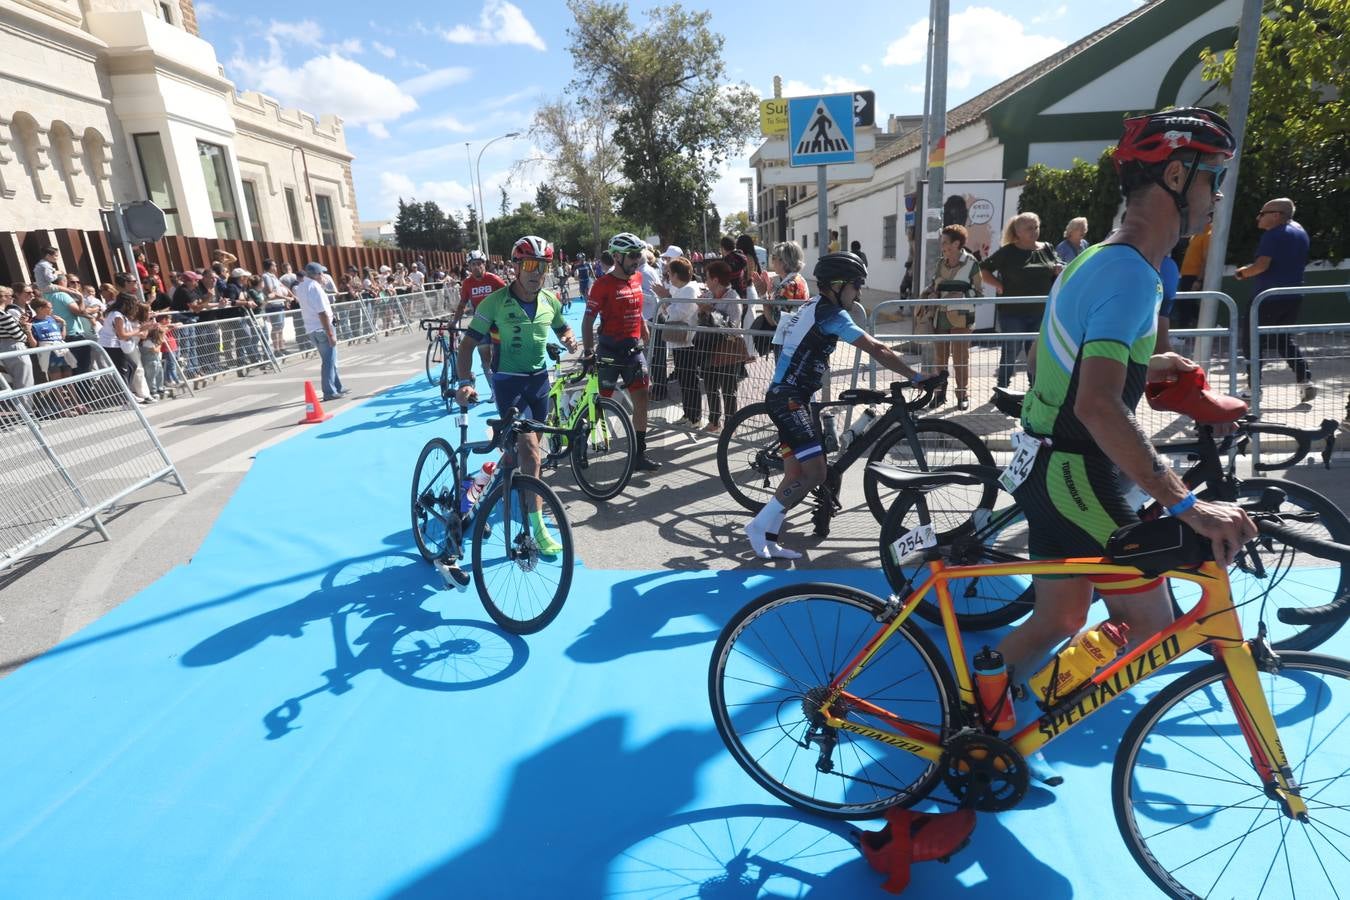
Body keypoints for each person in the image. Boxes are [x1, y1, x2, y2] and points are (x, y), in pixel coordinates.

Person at [995, 108, 1256, 783]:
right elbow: (1097, 403)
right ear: (1177, 174)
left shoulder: (1099, 258)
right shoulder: (1133, 274)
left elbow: (1065, 361)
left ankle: (984, 718)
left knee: (1060, 616)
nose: (1218, 196)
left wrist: (1158, 367)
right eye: (1214, 179)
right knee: (1150, 623)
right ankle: (1031, 714)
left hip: (1049, 462)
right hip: (1076, 472)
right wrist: (1186, 506)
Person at [743, 252, 925, 560]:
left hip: (790, 396)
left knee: (794, 475)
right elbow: (877, 348)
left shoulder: (812, 305)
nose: (859, 293)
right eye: (856, 285)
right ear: (838, 285)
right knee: (815, 473)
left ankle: (770, 539)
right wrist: (917, 376)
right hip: (789, 399)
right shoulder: (831, 314)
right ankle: (758, 525)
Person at [455, 236, 578, 554]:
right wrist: (466, 381)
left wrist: (568, 338)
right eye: (529, 265)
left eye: (543, 266)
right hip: (509, 383)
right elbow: (467, 345)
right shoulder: (494, 302)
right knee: (531, 450)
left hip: (539, 384)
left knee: (522, 451)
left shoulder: (549, 300)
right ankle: (535, 527)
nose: (536, 272)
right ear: (515, 267)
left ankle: (490, 476)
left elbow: (563, 326)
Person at [583, 232, 662, 471]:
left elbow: (636, 307)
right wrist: (588, 352)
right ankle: (580, 444)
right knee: (600, 403)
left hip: (632, 349)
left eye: (639, 255)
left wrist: (643, 327)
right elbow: (588, 321)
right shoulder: (602, 284)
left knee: (642, 397)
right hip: (609, 350)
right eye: (633, 256)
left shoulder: (636, 278)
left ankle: (639, 454)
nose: (637, 260)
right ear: (617, 257)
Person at [1237, 197, 1313, 402]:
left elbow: (1262, 265)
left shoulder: (1274, 235)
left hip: (1267, 297)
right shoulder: (1300, 231)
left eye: (1263, 213)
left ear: (1277, 216)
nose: (1258, 217)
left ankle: (1254, 388)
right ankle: (1305, 381)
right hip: (1293, 296)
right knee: (1282, 340)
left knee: (1252, 340)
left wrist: (1243, 272)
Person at [980, 212, 1063, 388]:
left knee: (1036, 353)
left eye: (1036, 227)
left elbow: (1059, 265)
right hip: (1013, 312)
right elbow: (984, 269)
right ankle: (1002, 387)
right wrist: (999, 285)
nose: (1034, 231)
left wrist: (1058, 269)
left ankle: (1035, 390)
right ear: (1018, 232)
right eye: (1029, 228)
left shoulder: (1047, 248)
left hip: (1041, 311)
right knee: (1011, 351)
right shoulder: (1008, 251)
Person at [921, 224, 983, 409]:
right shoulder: (941, 263)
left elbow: (979, 294)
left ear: (957, 243)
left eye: (946, 243)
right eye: (942, 243)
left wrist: (962, 295)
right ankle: (939, 394)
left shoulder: (972, 263)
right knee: (939, 358)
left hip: (962, 319)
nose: (943, 247)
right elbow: (934, 286)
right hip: (940, 317)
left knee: (960, 358)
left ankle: (962, 395)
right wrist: (930, 293)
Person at [453, 249, 508, 398]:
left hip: (497, 324)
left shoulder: (494, 279)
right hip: (480, 325)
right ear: (469, 267)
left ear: (484, 264)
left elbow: (509, 298)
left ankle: (502, 384)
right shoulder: (467, 283)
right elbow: (462, 304)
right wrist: (454, 321)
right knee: (485, 360)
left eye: (479, 264)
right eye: (473, 264)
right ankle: (494, 391)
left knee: (499, 357)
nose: (477, 267)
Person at [295, 262, 347, 402]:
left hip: (312, 328)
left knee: (330, 359)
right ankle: (329, 391)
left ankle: (336, 387)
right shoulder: (314, 287)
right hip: (322, 327)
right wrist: (330, 333)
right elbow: (322, 312)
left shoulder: (302, 286)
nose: (323, 276)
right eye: (321, 273)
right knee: (329, 361)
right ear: (316, 274)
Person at [663, 256, 704, 427]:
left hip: (688, 341)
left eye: (670, 274)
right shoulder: (681, 289)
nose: (668, 277)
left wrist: (665, 301)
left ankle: (696, 418)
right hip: (680, 341)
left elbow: (676, 314)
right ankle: (688, 414)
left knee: (690, 379)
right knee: (684, 379)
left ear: (676, 275)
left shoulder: (688, 290)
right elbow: (670, 314)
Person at [765, 241, 809, 362]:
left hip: (787, 342)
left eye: (774, 258)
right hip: (799, 338)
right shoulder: (800, 279)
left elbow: (774, 320)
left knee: (783, 378)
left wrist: (763, 295)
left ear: (784, 261)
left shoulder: (786, 286)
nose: (772, 261)